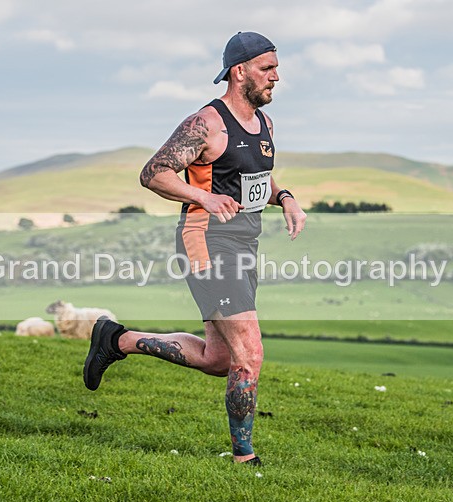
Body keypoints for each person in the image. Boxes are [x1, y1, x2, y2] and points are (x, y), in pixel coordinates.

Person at [84, 31, 306, 466]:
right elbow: (154, 173)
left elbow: (256, 176)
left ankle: (116, 339)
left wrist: (285, 197)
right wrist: (201, 197)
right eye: (268, 68)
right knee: (250, 354)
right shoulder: (205, 124)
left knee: (218, 358)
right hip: (207, 243)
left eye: (277, 68)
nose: (276, 77)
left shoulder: (264, 124)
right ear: (239, 71)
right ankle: (246, 459)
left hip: (244, 245)